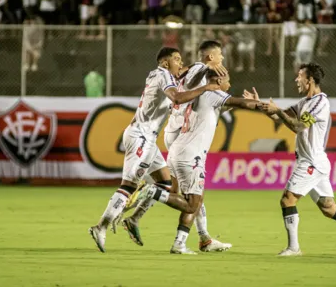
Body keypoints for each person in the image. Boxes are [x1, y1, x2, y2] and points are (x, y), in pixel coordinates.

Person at [88, 47, 223, 253]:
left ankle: (133, 218)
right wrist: (206, 88)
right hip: (141, 137)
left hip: (148, 139)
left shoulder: (163, 75)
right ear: (165, 62)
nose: (180, 63)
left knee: (165, 182)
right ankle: (100, 227)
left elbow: (184, 75)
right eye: (176, 59)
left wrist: (203, 67)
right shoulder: (162, 75)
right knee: (129, 185)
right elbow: (177, 98)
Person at [252, 63, 336, 256]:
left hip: (310, 162)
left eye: (299, 76)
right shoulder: (305, 102)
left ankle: (293, 248)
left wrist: (277, 111)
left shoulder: (321, 103)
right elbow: (282, 117)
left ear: (310, 79)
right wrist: (261, 106)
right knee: (329, 208)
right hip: (315, 161)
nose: (296, 79)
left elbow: (297, 126)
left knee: (288, 200)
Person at [122, 40, 232, 253]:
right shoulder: (201, 68)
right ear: (210, 57)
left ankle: (137, 218)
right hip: (184, 137)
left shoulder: (189, 71)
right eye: (220, 55)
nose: (222, 59)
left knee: (180, 192)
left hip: (175, 132)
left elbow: (190, 87)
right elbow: (193, 92)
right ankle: (191, 240)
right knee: (192, 195)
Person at [138, 68, 261, 254]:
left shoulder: (202, 95)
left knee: (197, 198)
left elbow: (229, 105)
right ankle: (152, 192)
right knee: (191, 204)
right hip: (190, 155)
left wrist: (249, 102)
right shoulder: (213, 93)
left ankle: (190, 242)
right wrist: (256, 102)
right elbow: (242, 103)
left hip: (179, 151)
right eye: (228, 80)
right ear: (219, 81)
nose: (230, 84)